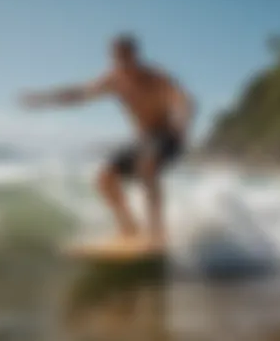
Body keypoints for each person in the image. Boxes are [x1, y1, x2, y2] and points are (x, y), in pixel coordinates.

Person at [20, 34, 195, 247]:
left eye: (126, 57)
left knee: (147, 166)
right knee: (104, 179)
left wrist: (182, 121)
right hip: (143, 140)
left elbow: (184, 99)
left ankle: (156, 232)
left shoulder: (155, 77)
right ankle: (129, 227)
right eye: (117, 58)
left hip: (169, 136)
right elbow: (79, 94)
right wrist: (43, 99)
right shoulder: (114, 80)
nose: (121, 63)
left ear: (135, 56)